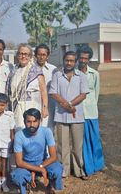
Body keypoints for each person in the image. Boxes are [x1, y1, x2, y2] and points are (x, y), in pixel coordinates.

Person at [49, 51, 89, 179]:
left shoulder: (81, 76)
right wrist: (65, 105)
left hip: (77, 115)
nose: (69, 63)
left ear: (75, 62)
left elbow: (83, 94)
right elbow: (53, 93)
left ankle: (79, 170)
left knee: (78, 145)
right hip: (61, 115)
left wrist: (70, 104)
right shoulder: (57, 75)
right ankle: (63, 170)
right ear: (63, 60)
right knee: (62, 145)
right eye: (67, 60)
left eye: (72, 61)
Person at [10, 108, 63, 194]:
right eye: (29, 121)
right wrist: (38, 170)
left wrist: (40, 168)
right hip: (26, 165)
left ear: (39, 121)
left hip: (43, 163)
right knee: (18, 175)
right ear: (24, 122)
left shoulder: (46, 132)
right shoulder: (19, 135)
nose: (32, 125)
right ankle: (25, 188)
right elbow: (19, 162)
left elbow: (53, 157)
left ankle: (51, 185)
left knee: (57, 168)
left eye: (34, 121)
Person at [6, 43, 48, 131]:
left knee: (33, 130)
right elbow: (9, 91)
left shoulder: (36, 70)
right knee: (19, 130)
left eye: (26, 54)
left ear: (30, 56)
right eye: (21, 54)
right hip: (17, 107)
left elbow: (43, 90)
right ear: (17, 55)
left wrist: (45, 108)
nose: (23, 56)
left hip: (33, 105)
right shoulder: (14, 71)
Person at [77, 45, 105, 176]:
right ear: (78, 58)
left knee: (94, 138)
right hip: (77, 112)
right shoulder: (73, 73)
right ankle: (87, 167)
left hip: (91, 111)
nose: (83, 60)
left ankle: (98, 164)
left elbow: (96, 92)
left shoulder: (95, 74)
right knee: (83, 141)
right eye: (81, 58)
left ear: (89, 59)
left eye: (85, 58)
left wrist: (92, 105)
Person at [34, 43, 57, 133]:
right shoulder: (30, 68)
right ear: (35, 55)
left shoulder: (53, 70)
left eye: (44, 55)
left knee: (48, 131)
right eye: (39, 54)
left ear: (47, 56)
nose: (41, 57)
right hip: (34, 104)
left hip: (49, 107)